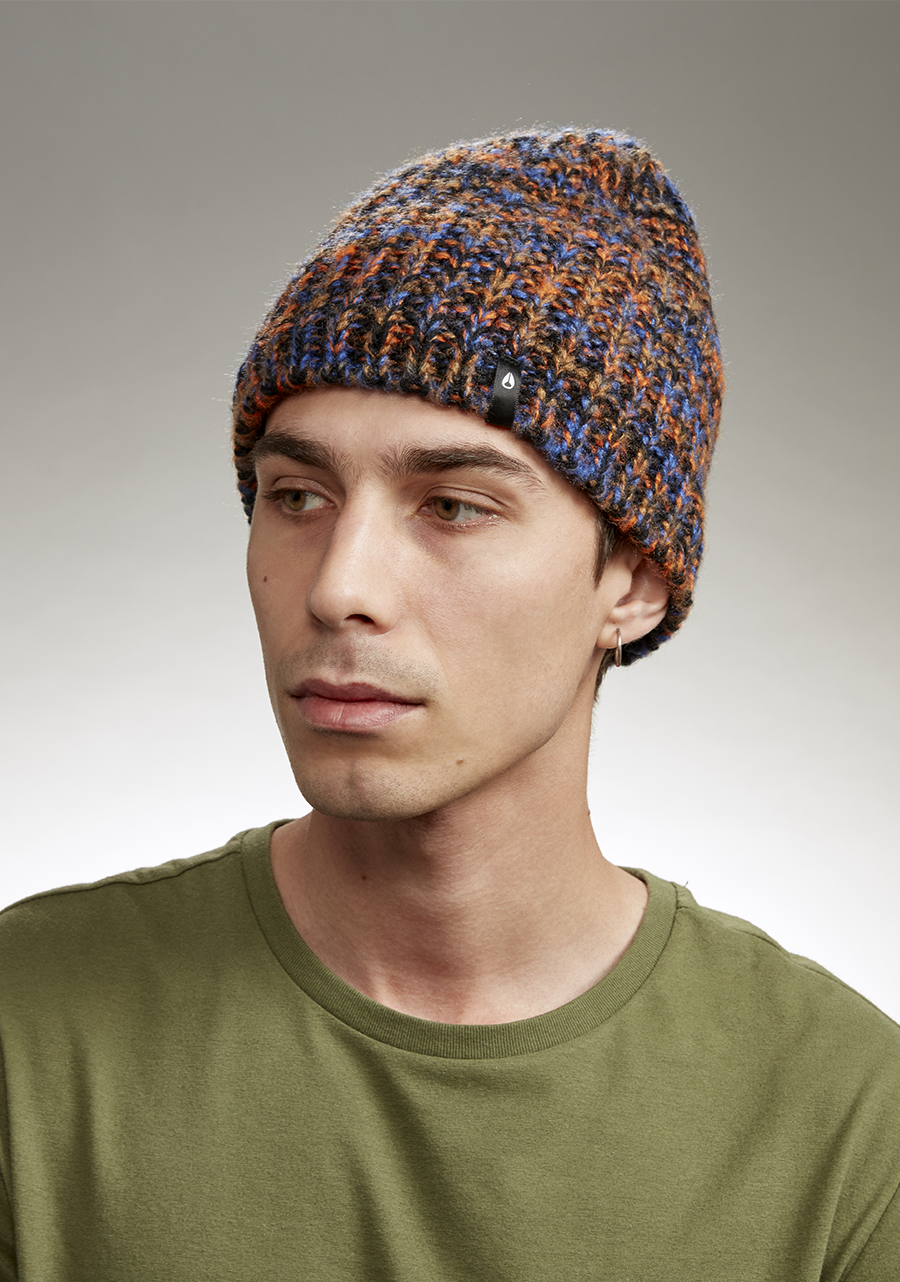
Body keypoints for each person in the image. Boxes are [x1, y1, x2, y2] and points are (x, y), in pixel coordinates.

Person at [1, 129, 897, 1281]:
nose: (339, 586)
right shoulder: (29, 1034)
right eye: (296, 495)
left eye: (454, 505)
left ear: (633, 580)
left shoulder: (847, 1127)